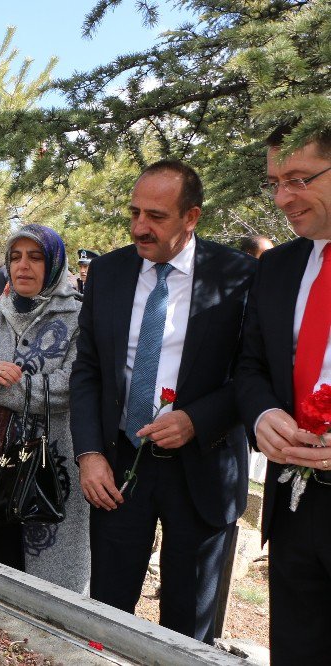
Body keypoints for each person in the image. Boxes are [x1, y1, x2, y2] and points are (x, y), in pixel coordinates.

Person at [70, 160, 255, 643]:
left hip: (204, 468)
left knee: (188, 624)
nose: (139, 228)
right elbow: (88, 369)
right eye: (133, 213)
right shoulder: (108, 272)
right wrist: (89, 454)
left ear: (191, 217)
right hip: (119, 468)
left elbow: (254, 374)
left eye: (155, 216)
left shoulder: (238, 276)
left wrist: (198, 419)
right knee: (107, 615)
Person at [0, 224, 89, 593]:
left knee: (46, 580)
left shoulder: (77, 318)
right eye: (15, 257)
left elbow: (66, 390)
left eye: (35, 257)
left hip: (51, 462)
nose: (23, 266)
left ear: (54, 264)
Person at [235, 124, 331, 664]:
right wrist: (263, 411)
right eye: (275, 181)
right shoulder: (277, 267)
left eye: (298, 179)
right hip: (293, 505)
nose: (281, 198)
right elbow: (250, 365)